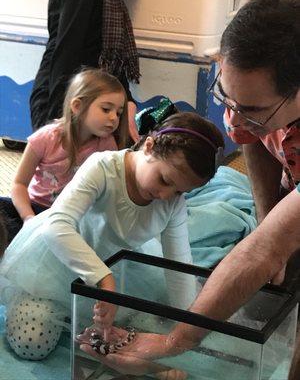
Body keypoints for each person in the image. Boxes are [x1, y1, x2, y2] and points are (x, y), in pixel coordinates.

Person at [82, 0, 300, 377]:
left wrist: (175, 341)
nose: (233, 118)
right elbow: (252, 138)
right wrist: (267, 220)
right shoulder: (248, 97)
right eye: (226, 98)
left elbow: (263, 251)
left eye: (250, 109)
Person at [0, 112, 224, 360]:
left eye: (179, 191)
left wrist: (185, 329)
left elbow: (177, 267)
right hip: (56, 264)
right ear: (149, 147)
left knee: (148, 327)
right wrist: (104, 280)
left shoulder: (172, 203)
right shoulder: (103, 167)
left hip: (120, 271)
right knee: (32, 342)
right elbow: (57, 226)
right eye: (164, 180)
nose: (165, 195)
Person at [0, 68, 130, 245]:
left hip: (75, 217)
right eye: (106, 109)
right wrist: (28, 218)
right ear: (77, 106)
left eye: (119, 112)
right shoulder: (45, 138)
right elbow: (19, 184)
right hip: (37, 209)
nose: (114, 118)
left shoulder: (106, 145)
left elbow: (108, 193)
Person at [30, 0, 140, 141]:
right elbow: (68, 52)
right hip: (63, 100)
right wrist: (60, 120)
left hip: (81, 97)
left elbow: (102, 51)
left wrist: (127, 100)